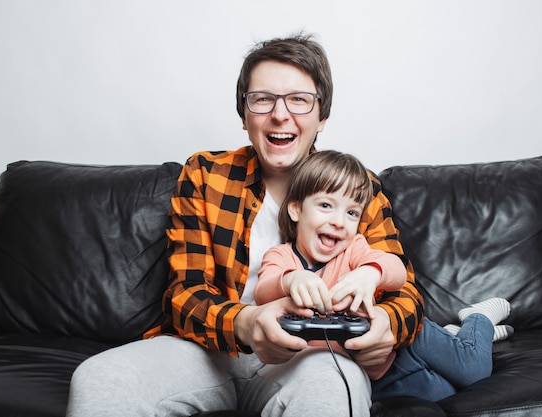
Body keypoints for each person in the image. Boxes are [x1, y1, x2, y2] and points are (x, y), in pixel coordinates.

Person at [66, 33, 424, 417]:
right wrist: (248, 321)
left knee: (333, 383)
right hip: (208, 352)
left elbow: (407, 295)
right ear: (244, 115)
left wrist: (385, 324)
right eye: (263, 99)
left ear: (322, 117)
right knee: (100, 377)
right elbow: (184, 295)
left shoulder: (357, 190)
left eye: (299, 100)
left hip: (310, 356)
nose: (280, 115)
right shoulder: (204, 175)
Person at [255, 150, 514, 403]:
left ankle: (478, 321)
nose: (338, 222)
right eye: (325, 206)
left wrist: (370, 272)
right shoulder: (280, 256)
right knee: (443, 394)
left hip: (403, 341)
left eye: (351, 213)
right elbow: (263, 292)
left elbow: (396, 268)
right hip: (372, 373)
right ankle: (454, 337)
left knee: (473, 372)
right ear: (296, 209)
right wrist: (290, 280)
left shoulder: (353, 247)